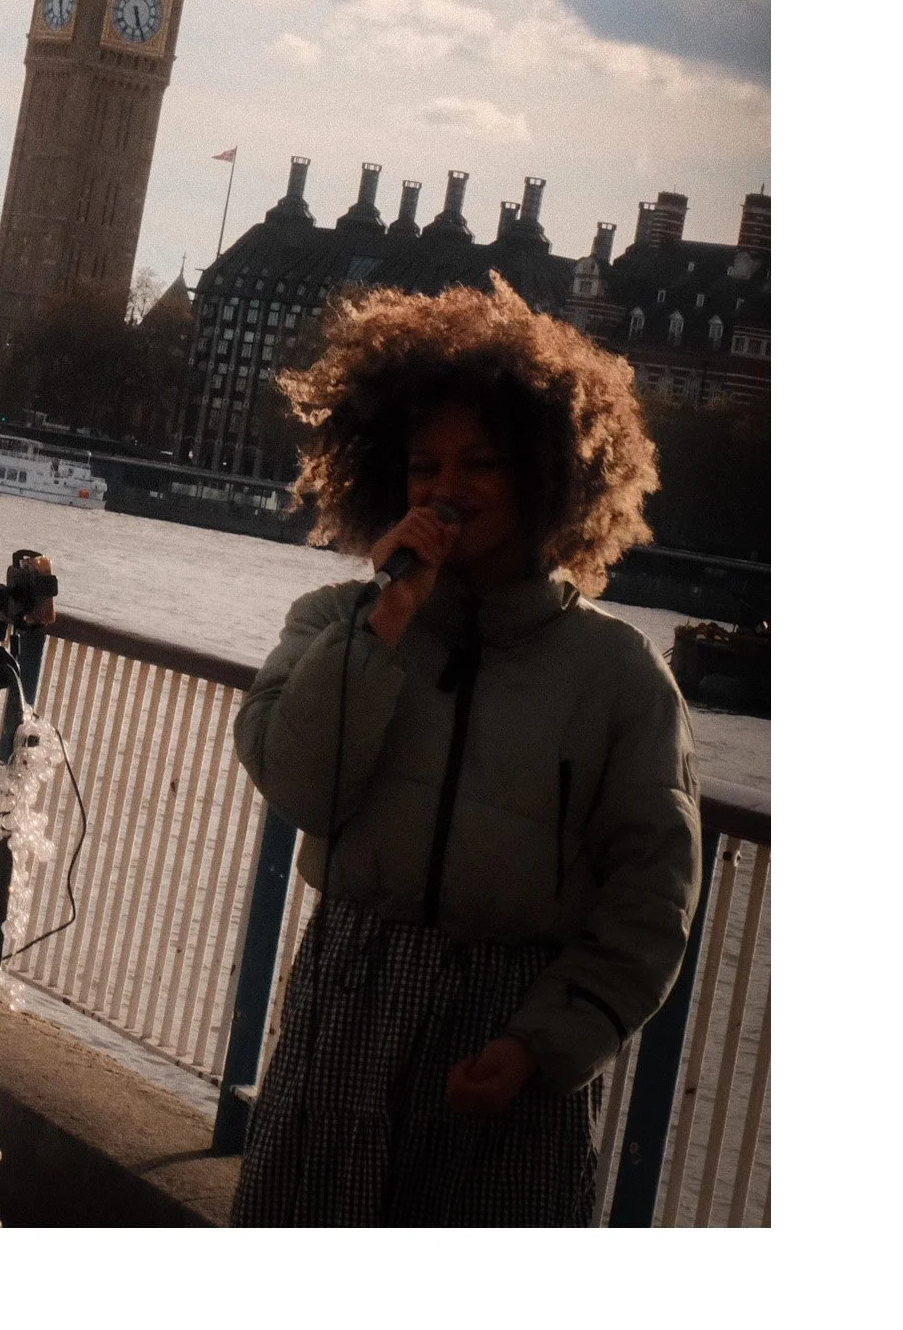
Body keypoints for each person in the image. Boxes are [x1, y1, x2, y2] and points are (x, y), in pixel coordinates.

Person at [230, 276, 699, 1227]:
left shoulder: (620, 676)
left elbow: (653, 895)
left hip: (508, 1038)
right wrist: (382, 626)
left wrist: (550, 1042)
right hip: (346, 1011)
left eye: (479, 463)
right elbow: (299, 786)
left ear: (545, 475)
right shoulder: (336, 623)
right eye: (422, 467)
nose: (445, 490)